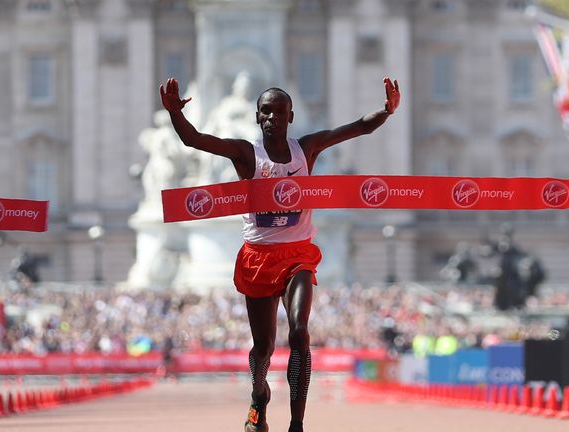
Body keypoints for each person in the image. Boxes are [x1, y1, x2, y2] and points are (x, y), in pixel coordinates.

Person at [159, 75, 400, 432]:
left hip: (298, 255)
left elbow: (356, 129)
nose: (272, 118)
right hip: (258, 257)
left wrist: (386, 110)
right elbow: (195, 140)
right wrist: (175, 113)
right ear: (257, 117)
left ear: (291, 116)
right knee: (263, 349)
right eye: (266, 112)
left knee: (300, 332)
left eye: (279, 112)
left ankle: (297, 424)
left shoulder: (308, 149)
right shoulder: (246, 153)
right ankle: (259, 398)